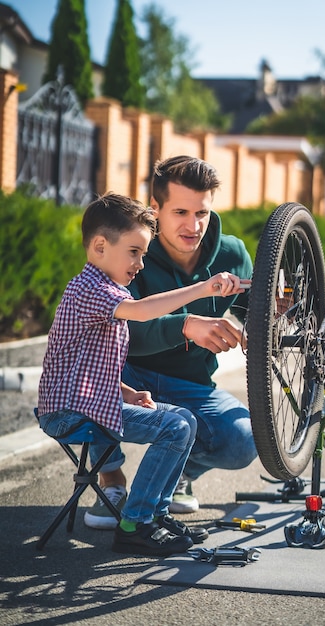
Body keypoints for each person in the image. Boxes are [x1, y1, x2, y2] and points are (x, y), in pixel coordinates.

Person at [37, 192, 246, 557]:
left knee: (184, 420)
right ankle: (135, 524)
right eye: (134, 252)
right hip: (69, 412)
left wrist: (128, 393)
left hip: (86, 402)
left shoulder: (104, 289)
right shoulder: (92, 289)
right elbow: (143, 311)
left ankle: (156, 513)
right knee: (175, 427)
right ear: (100, 246)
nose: (141, 263)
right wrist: (202, 288)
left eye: (144, 254)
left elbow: (86, 365)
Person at [84, 155, 258, 531]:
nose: (193, 225)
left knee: (245, 439)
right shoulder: (130, 251)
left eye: (202, 213)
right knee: (92, 374)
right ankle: (111, 481)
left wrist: (276, 309)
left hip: (191, 384)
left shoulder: (233, 255)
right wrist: (185, 326)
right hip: (129, 370)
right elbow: (112, 327)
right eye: (180, 211)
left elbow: (255, 316)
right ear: (156, 208)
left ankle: (177, 476)